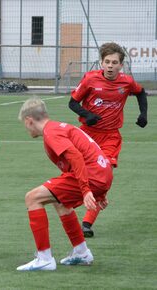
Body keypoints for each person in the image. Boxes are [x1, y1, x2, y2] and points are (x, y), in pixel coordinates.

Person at [16, 97, 113, 271]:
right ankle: (81, 253)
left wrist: (86, 190)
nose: (25, 128)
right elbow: (88, 154)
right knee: (59, 201)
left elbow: (76, 157)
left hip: (93, 175)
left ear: (29, 120)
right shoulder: (58, 127)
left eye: (24, 124)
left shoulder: (51, 132)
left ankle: (44, 258)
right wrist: (100, 192)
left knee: (32, 198)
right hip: (102, 174)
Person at [69, 42, 148, 237]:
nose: (110, 66)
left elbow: (141, 92)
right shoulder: (90, 79)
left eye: (114, 62)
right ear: (101, 63)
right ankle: (71, 202)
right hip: (86, 134)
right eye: (107, 62)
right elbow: (72, 102)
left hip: (111, 137)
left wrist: (143, 114)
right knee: (77, 174)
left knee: (103, 176)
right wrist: (87, 115)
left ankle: (87, 223)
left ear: (121, 65)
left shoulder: (126, 82)